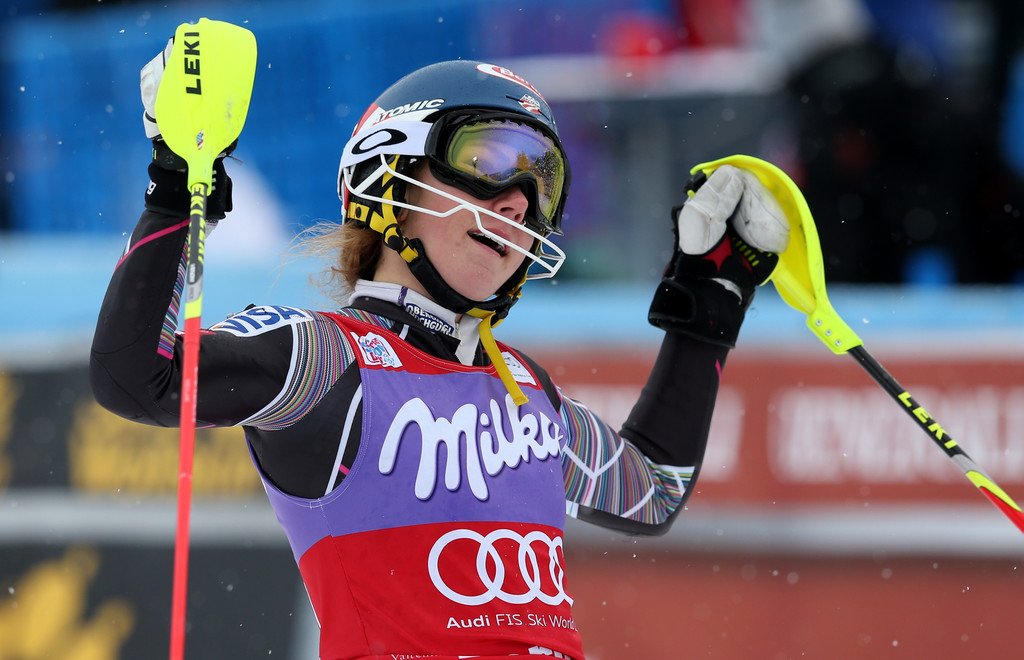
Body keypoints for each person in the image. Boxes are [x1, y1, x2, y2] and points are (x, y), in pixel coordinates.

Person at [90, 41, 789, 660]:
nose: (519, 201)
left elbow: (651, 489)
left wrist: (711, 295)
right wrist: (178, 181)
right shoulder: (326, 357)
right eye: (489, 159)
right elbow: (136, 377)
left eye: (543, 179)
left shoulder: (524, 387)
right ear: (390, 173)